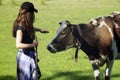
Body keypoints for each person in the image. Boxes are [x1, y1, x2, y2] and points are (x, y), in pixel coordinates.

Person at [12, 1, 49, 80]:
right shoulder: (20, 27)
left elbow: (29, 28)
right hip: (24, 56)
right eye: (32, 13)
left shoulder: (25, 24)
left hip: (29, 54)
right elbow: (18, 45)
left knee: (35, 76)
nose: (33, 15)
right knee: (26, 78)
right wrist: (33, 45)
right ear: (29, 14)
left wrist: (40, 30)